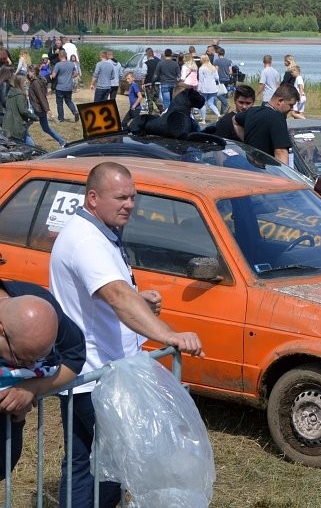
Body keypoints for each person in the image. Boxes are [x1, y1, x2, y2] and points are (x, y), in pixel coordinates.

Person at [50, 162, 204, 508]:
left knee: (85, 463)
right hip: (98, 378)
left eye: (133, 197)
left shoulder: (97, 233)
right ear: (93, 198)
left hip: (93, 375)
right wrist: (170, 336)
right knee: (118, 464)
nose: (130, 205)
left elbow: (114, 293)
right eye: (121, 197)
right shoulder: (86, 240)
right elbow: (117, 296)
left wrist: (140, 298)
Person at [0, 285, 84, 479]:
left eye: (38, 358)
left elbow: (74, 357)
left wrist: (32, 388)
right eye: (22, 358)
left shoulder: (42, 304)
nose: (31, 365)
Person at [234, 84, 299, 164]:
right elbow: (281, 151)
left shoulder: (253, 111)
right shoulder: (277, 118)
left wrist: (246, 144)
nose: (291, 109)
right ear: (280, 101)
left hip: (251, 166)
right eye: (291, 105)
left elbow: (235, 120)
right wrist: (285, 176)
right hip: (268, 170)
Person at [28, 65, 66, 146]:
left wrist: (47, 109)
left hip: (37, 109)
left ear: (33, 72)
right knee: (46, 128)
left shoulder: (35, 83)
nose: (28, 73)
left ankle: (31, 146)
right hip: (40, 109)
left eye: (29, 72)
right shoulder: (37, 81)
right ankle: (62, 141)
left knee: (23, 128)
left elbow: (41, 96)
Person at [2, 74, 37, 143]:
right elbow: (23, 111)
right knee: (18, 145)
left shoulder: (10, 93)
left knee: (27, 141)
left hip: (8, 123)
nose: (26, 82)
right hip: (16, 124)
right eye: (24, 81)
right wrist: (34, 117)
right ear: (20, 82)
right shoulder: (20, 95)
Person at [50, 49, 80, 123]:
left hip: (60, 87)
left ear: (60, 56)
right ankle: (75, 112)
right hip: (69, 86)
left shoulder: (58, 65)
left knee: (59, 103)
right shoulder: (71, 64)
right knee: (69, 101)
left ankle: (61, 118)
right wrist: (70, 77)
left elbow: (53, 76)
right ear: (66, 55)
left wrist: (50, 76)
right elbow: (76, 74)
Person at [197, 53, 221, 123]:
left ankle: (203, 119)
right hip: (213, 88)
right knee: (211, 103)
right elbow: (217, 78)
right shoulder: (213, 68)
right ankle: (218, 114)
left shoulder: (201, 68)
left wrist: (198, 89)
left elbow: (201, 80)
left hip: (204, 88)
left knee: (202, 104)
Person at [214, 46, 233, 114]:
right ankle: (223, 110)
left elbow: (216, 70)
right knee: (224, 93)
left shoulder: (216, 61)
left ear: (218, 54)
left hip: (220, 79)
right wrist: (226, 73)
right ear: (224, 54)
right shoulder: (228, 61)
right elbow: (230, 72)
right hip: (227, 79)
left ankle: (226, 104)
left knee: (217, 94)